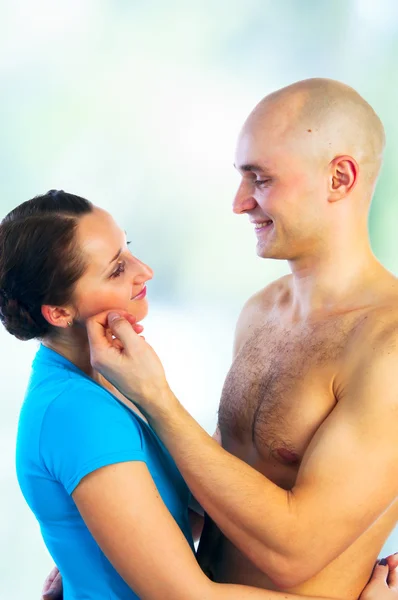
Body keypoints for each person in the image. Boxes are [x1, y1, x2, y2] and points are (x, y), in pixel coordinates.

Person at [80, 78, 398, 600]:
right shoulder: (261, 311)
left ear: (339, 178)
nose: (240, 202)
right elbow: (219, 487)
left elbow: (294, 551)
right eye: (241, 176)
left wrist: (156, 398)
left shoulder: (387, 344)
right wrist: (100, 555)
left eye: (261, 178)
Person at [2, 190, 381, 600]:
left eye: (127, 250)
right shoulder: (77, 413)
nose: (143, 271)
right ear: (58, 313)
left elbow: (171, 511)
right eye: (116, 270)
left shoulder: (106, 381)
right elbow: (185, 595)